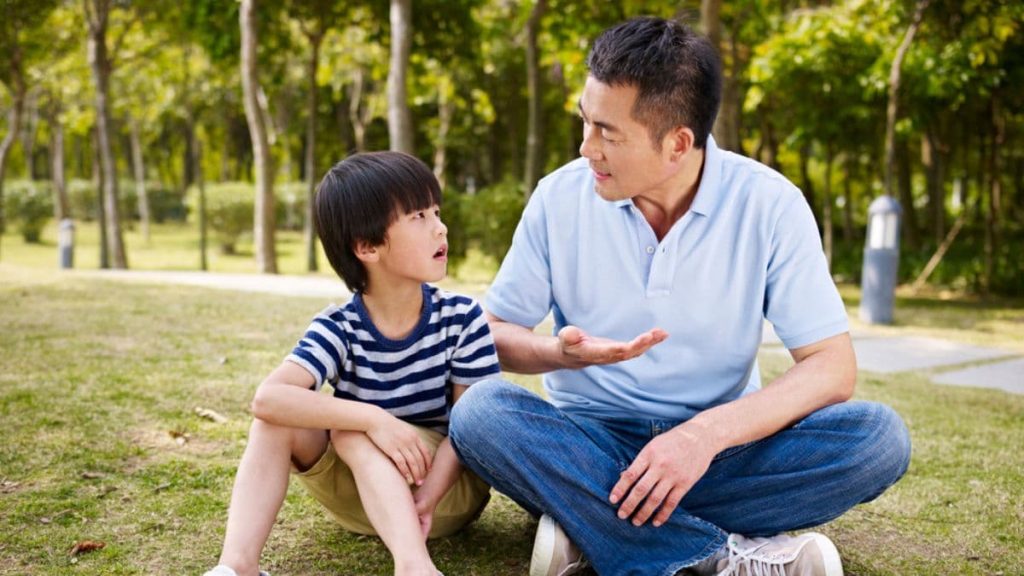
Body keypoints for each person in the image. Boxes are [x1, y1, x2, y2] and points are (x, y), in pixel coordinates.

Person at [447, 16, 911, 576]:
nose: (585, 146)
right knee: (480, 414)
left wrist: (700, 438)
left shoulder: (770, 205)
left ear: (678, 143)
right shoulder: (559, 198)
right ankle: (715, 554)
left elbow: (832, 369)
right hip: (589, 443)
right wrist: (558, 354)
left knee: (879, 440)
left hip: (721, 449)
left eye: (607, 132)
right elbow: (490, 337)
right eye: (585, 121)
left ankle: (589, 524)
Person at [204, 151, 500, 576]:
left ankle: (415, 567)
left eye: (436, 211)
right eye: (418, 216)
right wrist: (373, 418)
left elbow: (471, 428)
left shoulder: (462, 318)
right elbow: (268, 398)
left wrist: (426, 497)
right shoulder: (340, 325)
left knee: (350, 432)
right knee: (292, 420)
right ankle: (237, 567)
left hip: (444, 496)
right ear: (366, 246)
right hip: (362, 502)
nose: (440, 226)